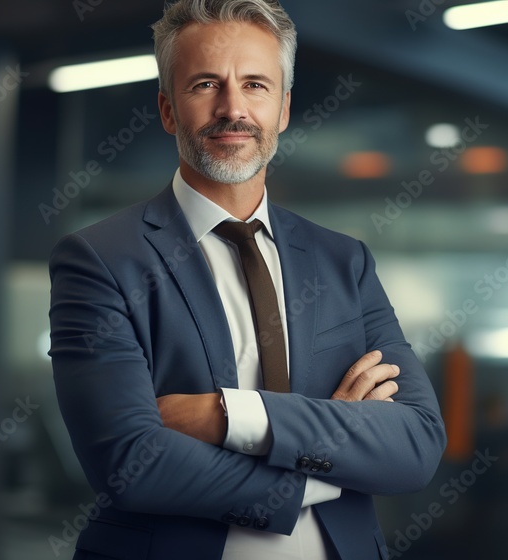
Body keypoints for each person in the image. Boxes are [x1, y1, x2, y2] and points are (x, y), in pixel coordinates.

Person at [47, 1, 447, 559]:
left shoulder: (344, 262)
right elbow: (130, 463)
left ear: (283, 108)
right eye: (206, 84)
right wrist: (331, 463)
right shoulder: (100, 259)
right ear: (167, 109)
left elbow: (416, 444)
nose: (232, 109)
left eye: (255, 85)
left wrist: (229, 415)